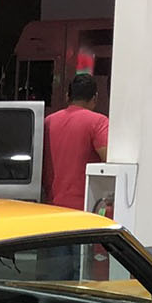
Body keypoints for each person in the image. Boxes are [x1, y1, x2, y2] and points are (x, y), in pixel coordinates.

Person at [42, 73, 109, 211]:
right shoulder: (99, 122)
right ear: (95, 97)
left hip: (51, 205)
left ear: (67, 96)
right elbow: (109, 160)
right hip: (85, 208)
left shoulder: (47, 122)